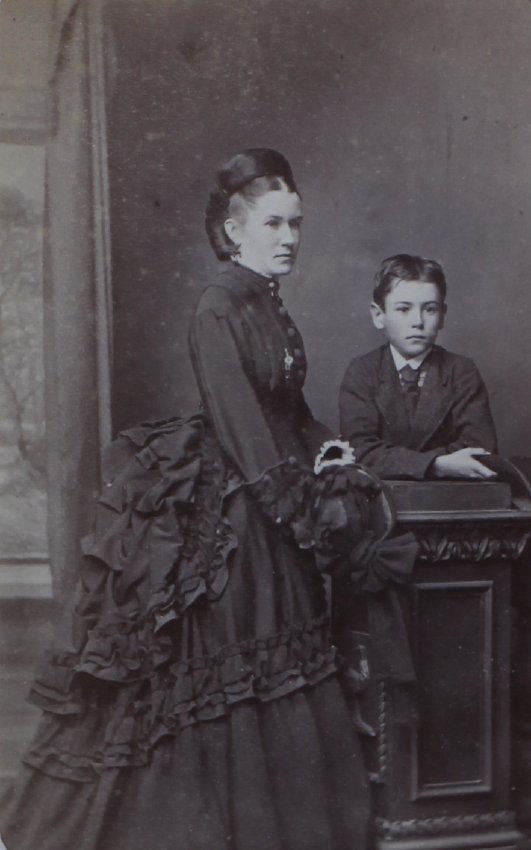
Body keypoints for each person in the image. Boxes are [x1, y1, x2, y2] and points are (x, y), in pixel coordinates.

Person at [1, 150, 417, 850]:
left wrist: (329, 449)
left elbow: (289, 411)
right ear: (233, 230)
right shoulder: (218, 306)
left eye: (296, 224)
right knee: (214, 668)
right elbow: (244, 429)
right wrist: (297, 511)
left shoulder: (269, 305)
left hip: (269, 487)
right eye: (274, 224)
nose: (288, 237)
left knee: (276, 666)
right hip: (236, 504)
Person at [339, 253, 498, 480]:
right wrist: (435, 464)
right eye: (404, 309)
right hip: (382, 499)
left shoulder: (461, 371)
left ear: (442, 316)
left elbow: (480, 447)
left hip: (450, 499)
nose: (418, 321)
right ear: (378, 315)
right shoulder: (362, 372)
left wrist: (401, 462)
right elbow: (359, 450)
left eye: (429, 309)